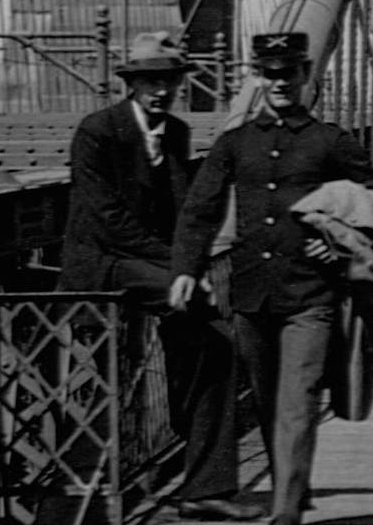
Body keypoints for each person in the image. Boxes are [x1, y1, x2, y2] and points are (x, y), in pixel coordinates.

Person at [175, 32, 373, 525]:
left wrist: (339, 244)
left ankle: (285, 512)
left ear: (305, 75)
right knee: (268, 404)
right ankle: (296, 484)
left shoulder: (330, 142)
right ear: (257, 77)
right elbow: (199, 211)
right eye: (269, 72)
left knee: (296, 401)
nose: (279, 81)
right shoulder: (235, 144)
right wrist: (186, 268)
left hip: (311, 293)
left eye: (288, 71)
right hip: (251, 293)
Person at [58, 31, 245, 516]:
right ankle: (95, 490)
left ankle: (203, 485)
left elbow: (188, 209)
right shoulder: (97, 131)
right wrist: (179, 270)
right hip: (103, 265)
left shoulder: (177, 133)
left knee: (216, 344)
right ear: (132, 84)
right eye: (149, 81)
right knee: (192, 307)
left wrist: (188, 266)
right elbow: (107, 221)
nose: (160, 90)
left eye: (168, 81)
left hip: (150, 264)